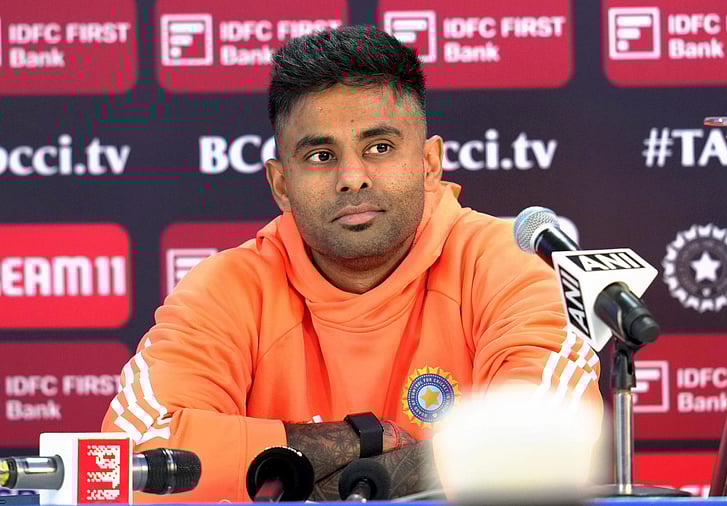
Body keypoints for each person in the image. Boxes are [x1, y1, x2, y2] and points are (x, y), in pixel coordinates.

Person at [101, 25, 602, 502]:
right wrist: (357, 441)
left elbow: (543, 442)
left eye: (380, 147)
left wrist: (288, 474)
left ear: (429, 163)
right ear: (281, 185)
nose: (352, 177)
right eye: (321, 155)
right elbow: (128, 461)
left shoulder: (505, 265)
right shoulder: (227, 287)